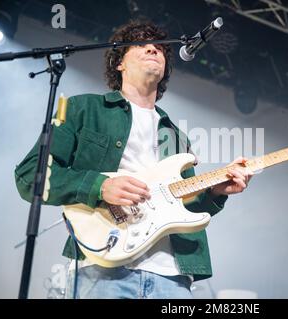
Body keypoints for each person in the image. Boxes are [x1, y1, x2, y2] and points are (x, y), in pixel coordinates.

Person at [14, 20, 253, 299]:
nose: (153, 48)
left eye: (160, 48)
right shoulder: (84, 109)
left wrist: (215, 192)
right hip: (101, 267)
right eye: (141, 43)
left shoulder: (178, 138)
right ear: (119, 63)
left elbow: (186, 206)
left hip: (172, 277)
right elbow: (30, 174)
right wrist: (99, 187)